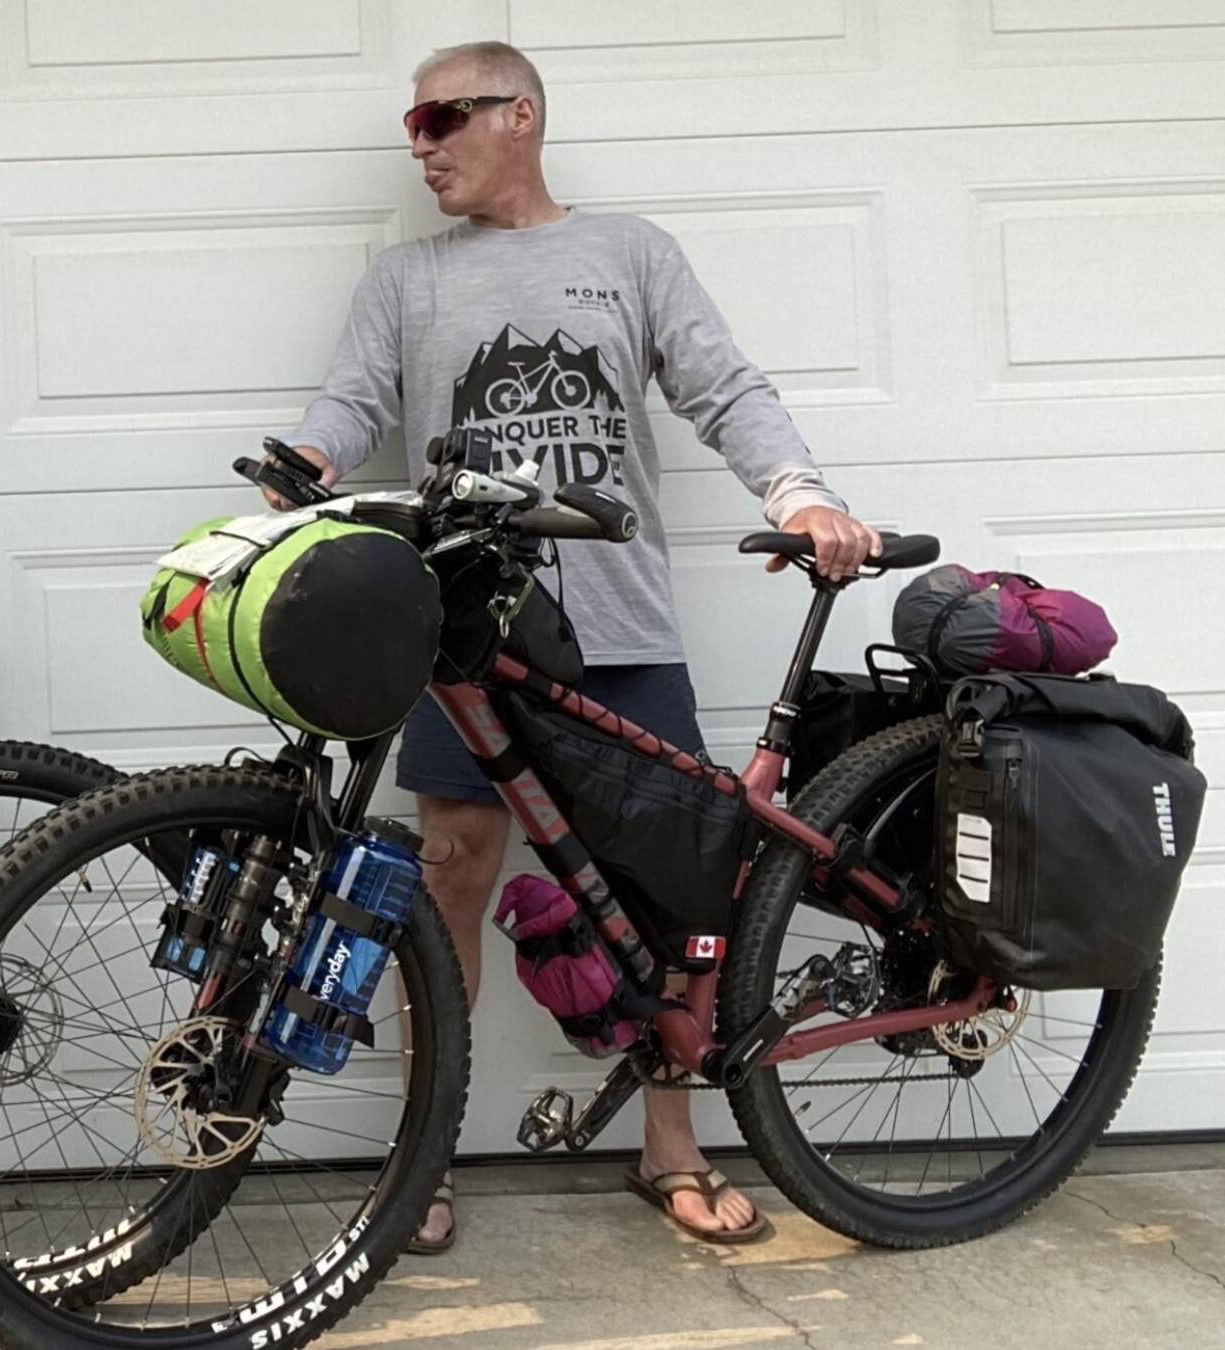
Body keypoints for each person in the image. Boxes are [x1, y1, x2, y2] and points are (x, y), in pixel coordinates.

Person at [275, 41, 881, 1253]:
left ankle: (670, 1150)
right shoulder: (406, 279)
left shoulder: (629, 254)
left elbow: (724, 387)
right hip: (468, 635)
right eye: (413, 124)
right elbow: (355, 399)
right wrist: (308, 459)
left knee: (673, 895)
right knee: (445, 885)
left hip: (623, 628)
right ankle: (423, 1161)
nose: (420, 143)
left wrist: (799, 494)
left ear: (520, 114)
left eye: (440, 117)